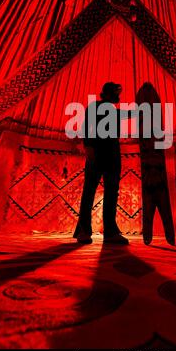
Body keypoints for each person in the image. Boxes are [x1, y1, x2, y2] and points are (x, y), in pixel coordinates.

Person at [74, 82, 131, 245]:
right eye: (114, 92)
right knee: (89, 191)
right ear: (106, 93)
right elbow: (86, 127)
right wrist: (88, 147)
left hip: (112, 154)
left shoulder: (113, 111)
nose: (117, 96)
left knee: (112, 192)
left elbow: (124, 114)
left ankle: (110, 232)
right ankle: (84, 230)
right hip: (97, 153)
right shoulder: (95, 107)